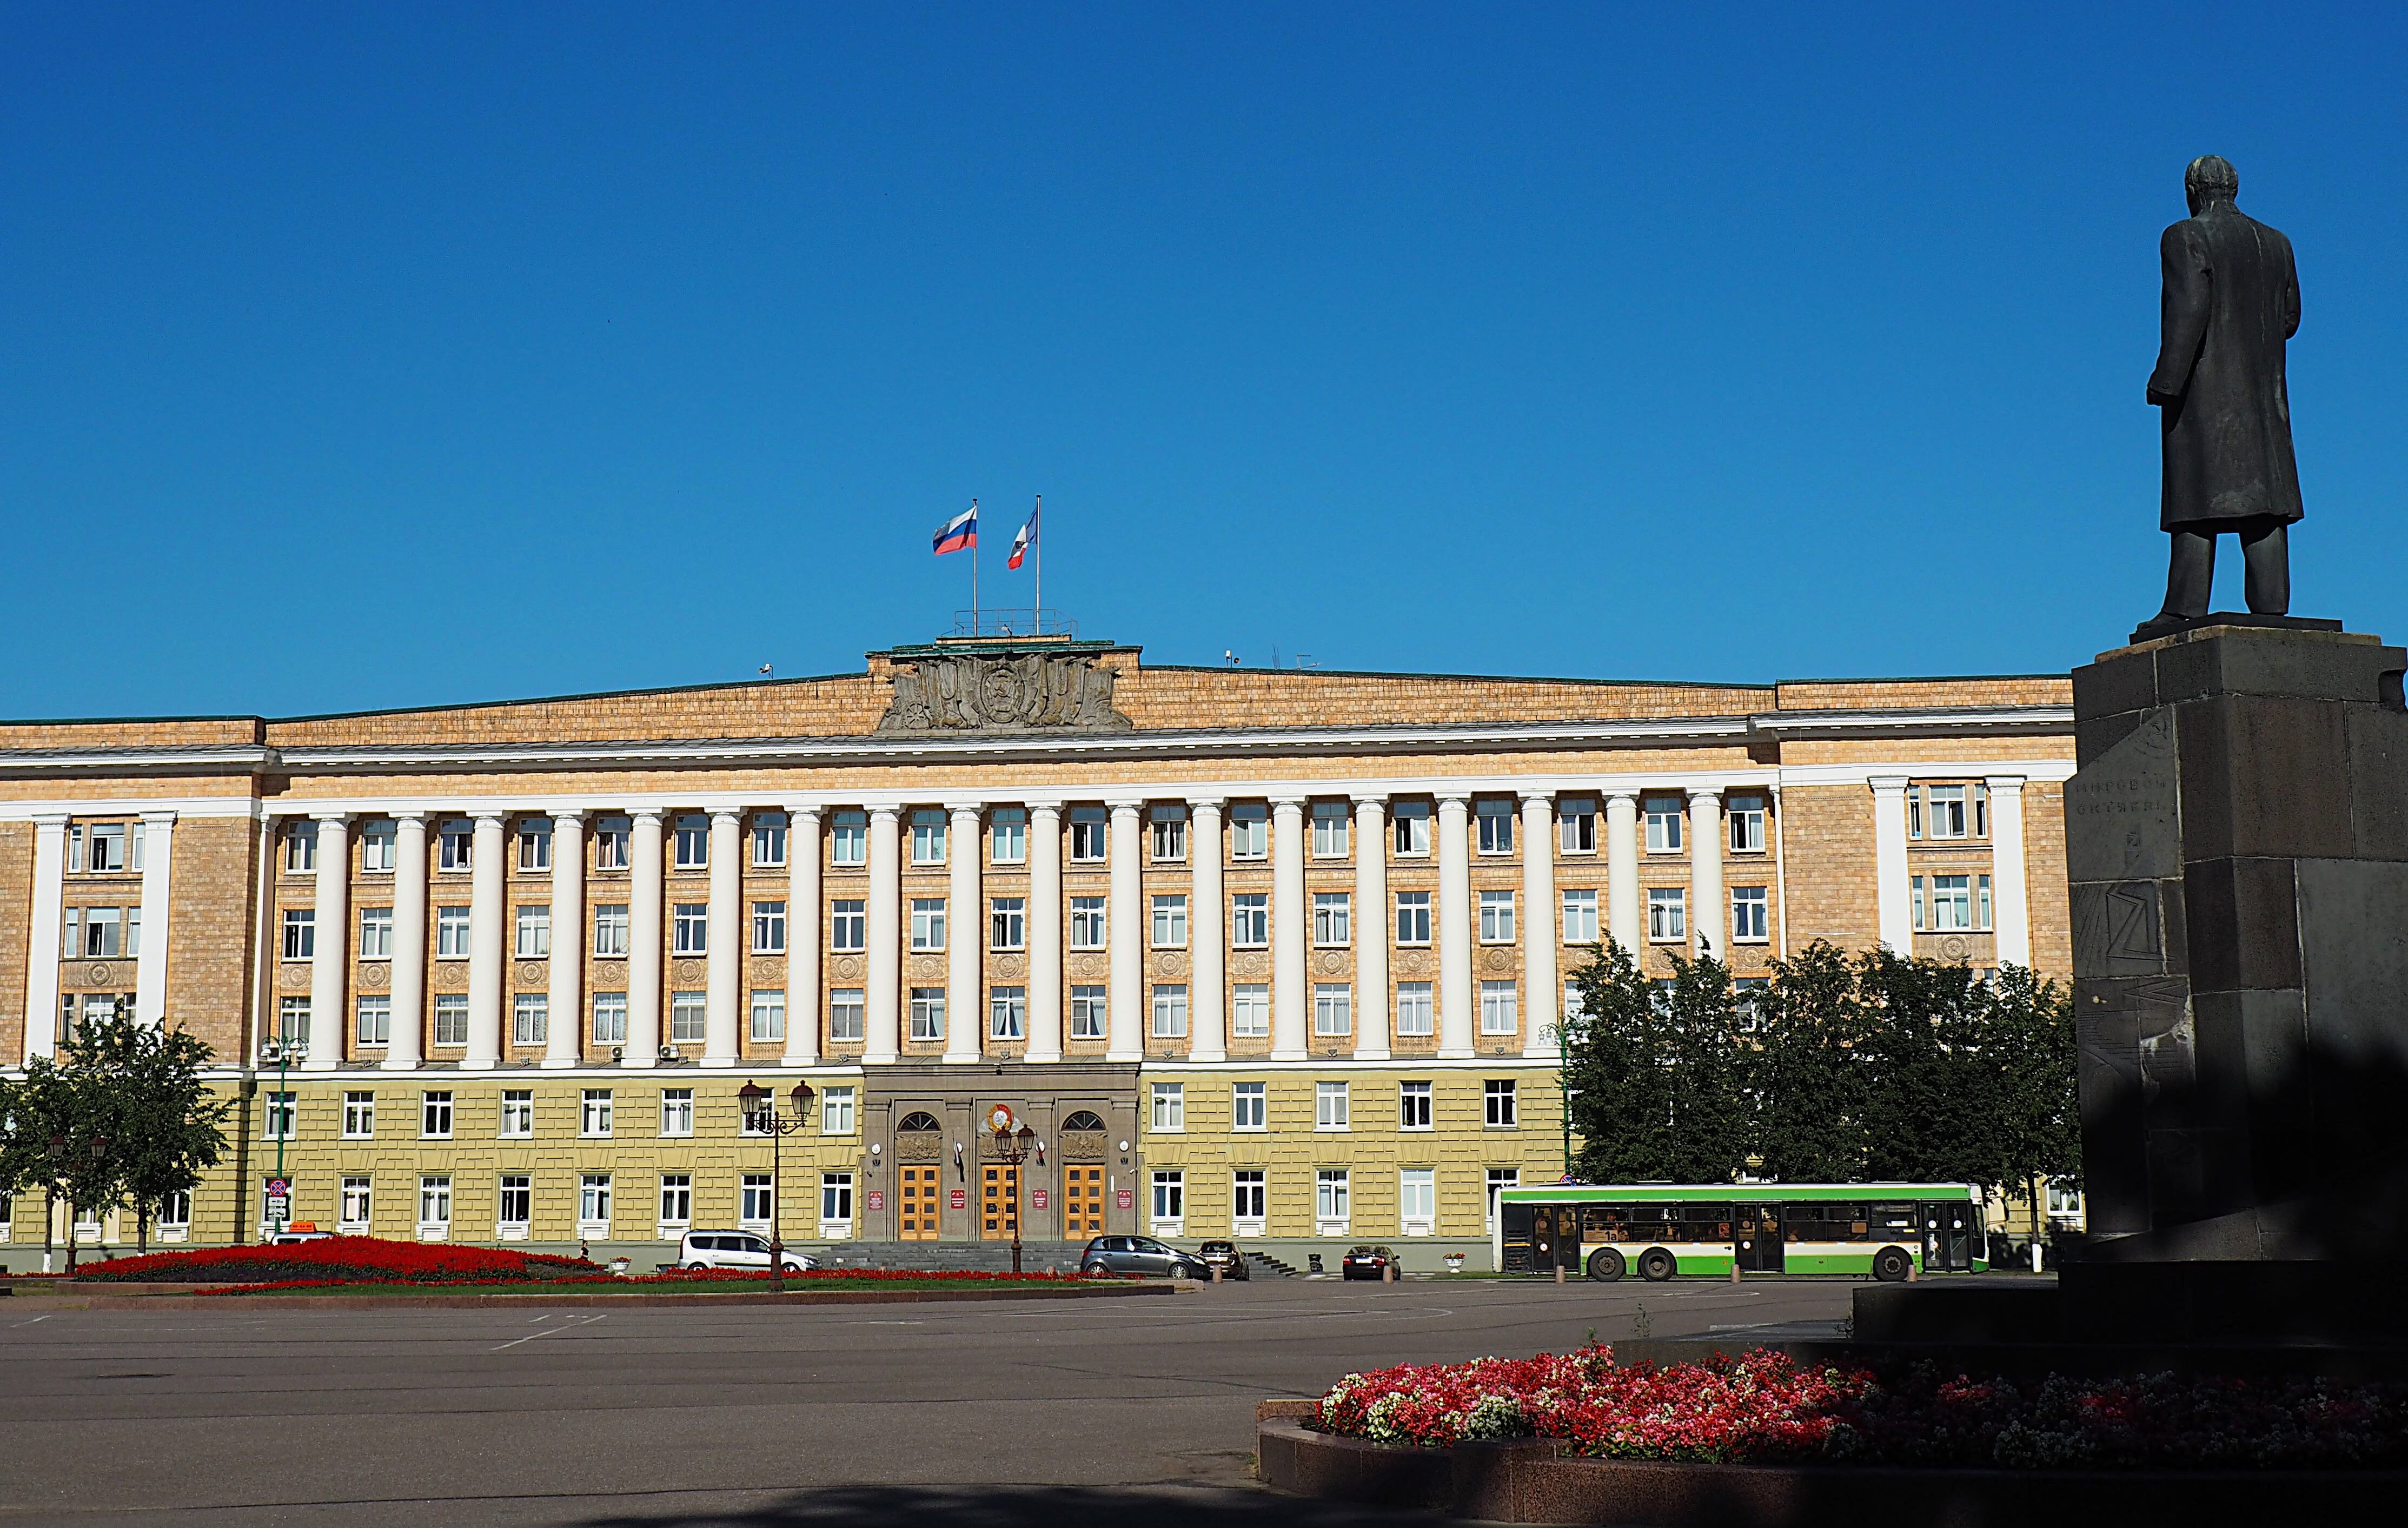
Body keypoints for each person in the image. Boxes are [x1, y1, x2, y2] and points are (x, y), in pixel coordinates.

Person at [2137, 155, 2303, 639]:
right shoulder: (2276, 243)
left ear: (2193, 191)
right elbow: (2290, 317)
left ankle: (2185, 606)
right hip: (2264, 399)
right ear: (2233, 188)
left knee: (2195, 497)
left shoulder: (2184, 236)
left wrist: (2166, 380)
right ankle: (2271, 605)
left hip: (2205, 392)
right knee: (2264, 504)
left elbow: (2188, 307)